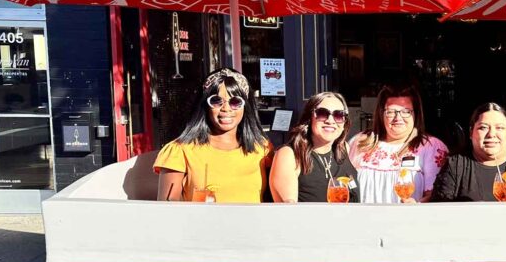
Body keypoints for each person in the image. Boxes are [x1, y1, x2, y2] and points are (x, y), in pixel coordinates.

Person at [154, 68, 272, 203]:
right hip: (202, 223)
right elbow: (168, 208)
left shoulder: (263, 149)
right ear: (205, 104)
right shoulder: (179, 150)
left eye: (235, 102)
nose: (226, 109)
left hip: (252, 223)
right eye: (216, 101)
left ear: (246, 106)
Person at [431, 102, 506, 202]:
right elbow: (440, 213)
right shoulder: (455, 166)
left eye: (499, 128)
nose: (491, 134)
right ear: (471, 132)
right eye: (483, 127)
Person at [349, 84, 448, 203]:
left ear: (415, 114)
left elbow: (437, 196)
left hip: (409, 220)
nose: (398, 118)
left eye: (406, 111)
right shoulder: (359, 142)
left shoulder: (431, 147)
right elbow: (345, 182)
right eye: (390, 112)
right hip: (363, 219)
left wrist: (418, 204)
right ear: (381, 114)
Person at [269, 92, 360, 203]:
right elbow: (289, 213)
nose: (330, 121)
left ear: (345, 122)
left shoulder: (344, 149)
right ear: (309, 118)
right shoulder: (290, 155)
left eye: (338, 115)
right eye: (322, 113)